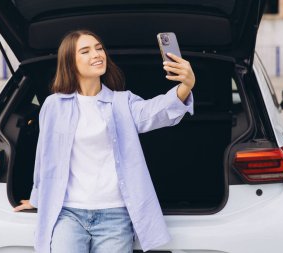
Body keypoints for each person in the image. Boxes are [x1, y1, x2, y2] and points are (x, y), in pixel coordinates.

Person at [13, 29, 195, 253]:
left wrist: (185, 86)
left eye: (99, 48)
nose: (97, 54)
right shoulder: (54, 105)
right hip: (68, 214)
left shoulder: (122, 102)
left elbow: (155, 112)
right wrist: (36, 198)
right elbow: (45, 157)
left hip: (115, 216)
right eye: (86, 51)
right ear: (70, 62)